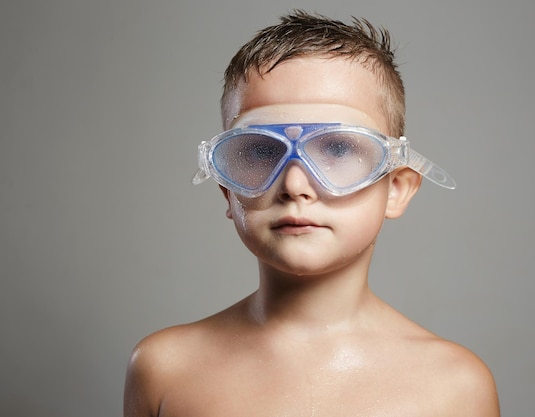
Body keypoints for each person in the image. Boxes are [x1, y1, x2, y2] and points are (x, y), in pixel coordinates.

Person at [124, 10, 499, 417]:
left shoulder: (455, 386)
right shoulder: (164, 368)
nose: (295, 185)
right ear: (227, 190)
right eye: (261, 150)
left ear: (396, 188)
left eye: (338, 148)